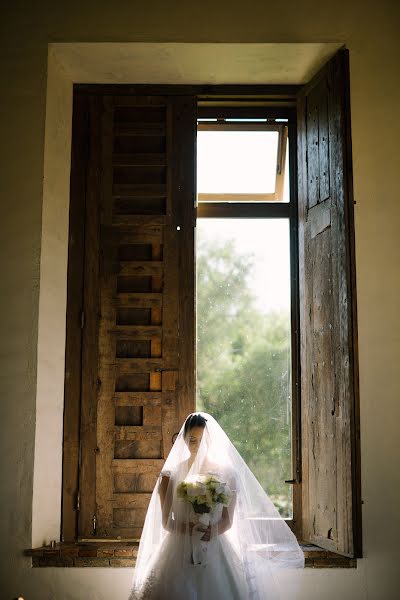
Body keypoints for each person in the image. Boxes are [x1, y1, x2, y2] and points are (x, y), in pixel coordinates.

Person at [129, 412, 304, 600]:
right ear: (184, 440)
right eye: (192, 440)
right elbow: (165, 522)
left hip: (215, 547)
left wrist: (211, 531)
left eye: (203, 440)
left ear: (211, 441)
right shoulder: (169, 475)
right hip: (177, 550)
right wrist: (187, 530)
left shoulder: (227, 474)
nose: (198, 446)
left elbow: (227, 521)